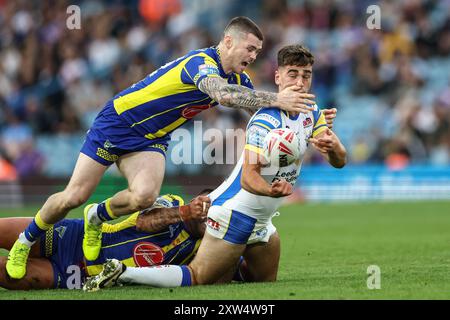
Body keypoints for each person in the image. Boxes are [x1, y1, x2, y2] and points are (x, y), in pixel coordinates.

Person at [6, 16, 318, 280]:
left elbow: (262, 116)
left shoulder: (240, 78)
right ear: (227, 42)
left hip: (151, 138)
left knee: (144, 197)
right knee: (72, 196)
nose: (253, 55)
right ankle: (25, 240)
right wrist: (277, 98)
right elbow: (222, 95)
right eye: (249, 48)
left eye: (257, 51)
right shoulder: (201, 64)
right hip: (117, 122)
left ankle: (96, 218)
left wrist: (310, 129)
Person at [82, 44, 347, 291]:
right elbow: (248, 178)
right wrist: (272, 190)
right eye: (293, 75)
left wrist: (332, 146)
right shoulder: (264, 120)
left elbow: (339, 161)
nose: (300, 83)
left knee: (264, 282)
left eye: (306, 75)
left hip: (263, 219)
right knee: (198, 277)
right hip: (234, 212)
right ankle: (122, 272)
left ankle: (224, 265)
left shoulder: (311, 112)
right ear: (278, 77)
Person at [0, 192, 210, 290]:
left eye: (216, 212)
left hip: (77, 276)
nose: (208, 214)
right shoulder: (174, 202)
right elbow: (145, 221)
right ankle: (95, 215)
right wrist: (185, 212)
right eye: (206, 205)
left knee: (8, 274)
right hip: (74, 237)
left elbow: (236, 269)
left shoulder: (203, 249)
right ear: (195, 201)